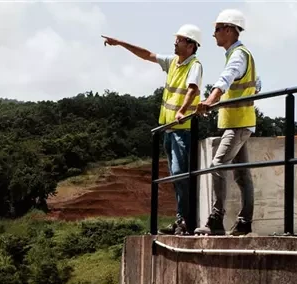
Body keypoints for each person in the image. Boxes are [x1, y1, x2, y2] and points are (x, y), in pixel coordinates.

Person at [103, 26, 203, 235]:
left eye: (180, 40)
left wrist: (182, 111)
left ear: (191, 45)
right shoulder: (173, 62)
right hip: (168, 129)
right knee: (176, 176)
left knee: (179, 174)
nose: (175, 42)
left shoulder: (194, 65)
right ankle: (180, 219)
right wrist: (120, 43)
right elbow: (147, 55)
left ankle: (186, 221)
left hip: (182, 129)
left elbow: (193, 89)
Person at [195, 9, 261, 236]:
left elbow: (225, 80)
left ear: (230, 30)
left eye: (217, 29)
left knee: (217, 165)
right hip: (239, 122)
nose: (214, 34)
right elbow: (257, 84)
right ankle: (244, 222)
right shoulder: (241, 55)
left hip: (238, 124)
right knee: (242, 175)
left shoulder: (238, 56)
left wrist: (209, 100)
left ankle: (216, 218)